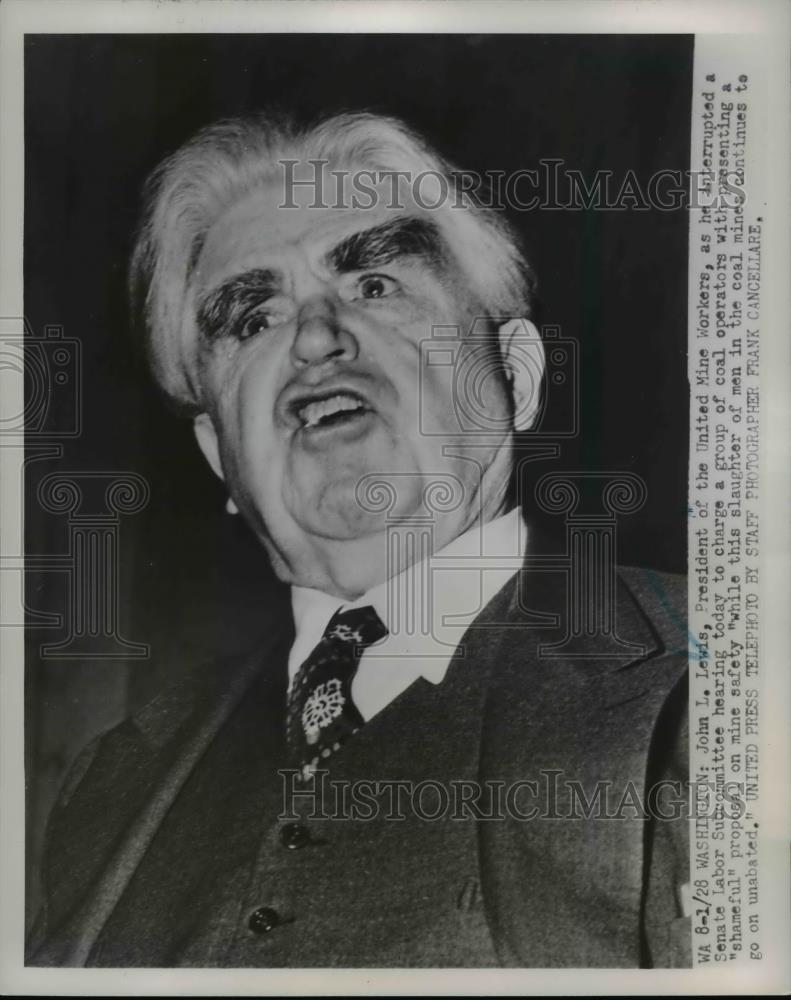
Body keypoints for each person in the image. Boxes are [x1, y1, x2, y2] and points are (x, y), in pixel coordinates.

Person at [27, 110, 690, 968]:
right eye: (252, 317)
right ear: (218, 455)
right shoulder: (115, 784)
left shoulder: (718, 675)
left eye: (375, 285)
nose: (311, 338)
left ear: (517, 379)